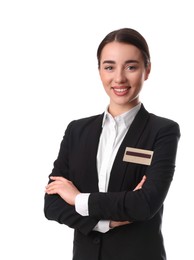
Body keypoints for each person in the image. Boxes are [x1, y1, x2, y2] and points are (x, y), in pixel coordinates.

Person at [44, 27, 180, 260]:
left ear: (147, 70)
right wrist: (108, 222)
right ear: (99, 71)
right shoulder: (77, 130)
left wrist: (78, 199)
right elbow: (52, 205)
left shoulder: (163, 131)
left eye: (131, 67)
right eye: (109, 67)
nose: (119, 78)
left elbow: (146, 203)